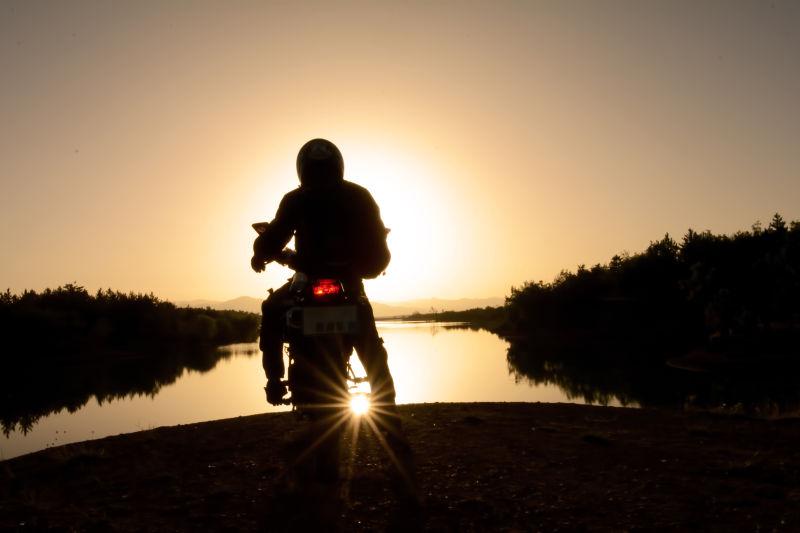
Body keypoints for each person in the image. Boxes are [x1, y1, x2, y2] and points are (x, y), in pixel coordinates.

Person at [251, 138, 400, 430]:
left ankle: (273, 381)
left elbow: (273, 238)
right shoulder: (360, 196)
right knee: (370, 346)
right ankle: (390, 415)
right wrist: (365, 266)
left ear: (302, 168)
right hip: (349, 282)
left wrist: (258, 255)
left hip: (309, 280)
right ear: (338, 165)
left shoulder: (296, 199)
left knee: (271, 309)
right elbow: (379, 250)